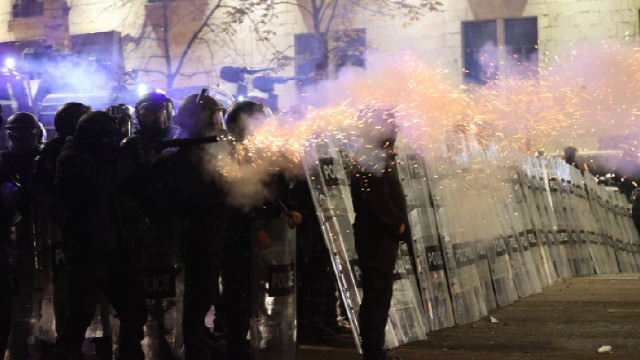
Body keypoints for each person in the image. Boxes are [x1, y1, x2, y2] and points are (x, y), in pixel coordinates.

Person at [53, 111, 147, 360]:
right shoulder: (71, 158)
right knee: (79, 316)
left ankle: (130, 352)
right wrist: (129, 158)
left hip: (112, 248)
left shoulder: (92, 155)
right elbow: (100, 184)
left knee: (134, 310)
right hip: (89, 249)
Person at [219, 100, 301, 359]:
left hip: (267, 234)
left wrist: (287, 209)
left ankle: (260, 341)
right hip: (240, 237)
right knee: (238, 292)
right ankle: (236, 344)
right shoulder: (230, 154)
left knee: (261, 291)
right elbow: (234, 197)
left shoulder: (258, 151)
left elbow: (267, 190)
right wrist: (254, 227)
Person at [156, 92, 228, 360]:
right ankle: (196, 350)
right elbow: (195, 198)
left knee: (205, 292)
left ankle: (201, 343)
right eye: (213, 115)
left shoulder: (199, 148)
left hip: (207, 229)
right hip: (196, 232)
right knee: (199, 294)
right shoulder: (184, 153)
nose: (217, 120)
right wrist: (227, 190)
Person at [121, 92, 180, 360]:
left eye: (162, 111)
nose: (158, 117)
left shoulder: (179, 140)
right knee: (142, 291)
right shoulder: (131, 146)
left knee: (173, 292)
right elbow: (124, 188)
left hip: (172, 226)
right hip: (143, 229)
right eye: (150, 112)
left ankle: (172, 342)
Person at [349, 105, 409, 360]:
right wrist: (396, 223)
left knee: (380, 292)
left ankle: (376, 347)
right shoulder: (371, 155)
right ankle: (373, 351)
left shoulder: (376, 154)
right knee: (376, 293)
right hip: (377, 234)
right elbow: (376, 198)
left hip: (380, 233)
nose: (394, 129)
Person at [1, 112, 45, 358]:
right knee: (16, 308)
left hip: (43, 237)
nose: (18, 140)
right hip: (13, 240)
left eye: (23, 134)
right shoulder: (3, 162)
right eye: (13, 134)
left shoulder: (45, 159)